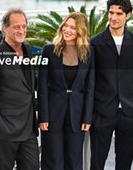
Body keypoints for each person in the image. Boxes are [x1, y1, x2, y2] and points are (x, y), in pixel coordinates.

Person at [90, 0, 133, 170]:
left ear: (128, 15)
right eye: (111, 13)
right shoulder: (95, 43)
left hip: (131, 113)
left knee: (124, 164)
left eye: (119, 13)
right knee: (97, 162)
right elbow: (90, 79)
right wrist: (92, 111)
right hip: (102, 113)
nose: (113, 17)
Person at [37, 12, 95, 170]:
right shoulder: (49, 50)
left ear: (80, 31)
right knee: (52, 160)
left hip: (77, 115)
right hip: (52, 114)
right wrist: (43, 116)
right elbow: (42, 86)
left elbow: (90, 87)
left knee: (74, 161)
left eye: (73, 27)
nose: (67, 30)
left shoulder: (88, 53)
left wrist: (87, 118)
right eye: (66, 26)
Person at [0, 8, 39, 170]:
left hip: (28, 127)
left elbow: (29, 84)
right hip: (6, 128)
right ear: (5, 28)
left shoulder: (27, 48)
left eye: (24, 26)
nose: (21, 30)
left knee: (32, 167)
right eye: (17, 27)